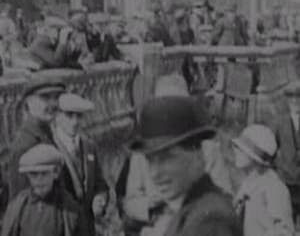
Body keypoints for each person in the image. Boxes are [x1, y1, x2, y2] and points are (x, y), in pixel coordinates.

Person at [131, 95, 241, 236]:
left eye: (167, 158)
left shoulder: (209, 221)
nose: (155, 173)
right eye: (150, 160)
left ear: (197, 155)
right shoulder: (190, 209)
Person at [52, 93, 109, 236]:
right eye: (69, 115)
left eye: (79, 116)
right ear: (57, 116)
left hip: (88, 229)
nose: (75, 122)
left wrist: (100, 199)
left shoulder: (89, 147)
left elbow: (100, 184)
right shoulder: (51, 148)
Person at [2, 144, 84, 236]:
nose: (39, 180)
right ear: (27, 176)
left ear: (55, 173)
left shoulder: (69, 209)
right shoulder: (18, 206)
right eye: (34, 174)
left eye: (44, 173)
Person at [8, 80, 66, 199]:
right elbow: (21, 201)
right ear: (28, 103)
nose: (53, 104)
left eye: (56, 97)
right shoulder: (25, 144)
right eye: (45, 98)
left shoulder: (46, 133)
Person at [233, 124, 294, 236]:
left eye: (241, 149)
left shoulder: (274, 187)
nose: (236, 150)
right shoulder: (247, 183)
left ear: (256, 157)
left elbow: (285, 232)